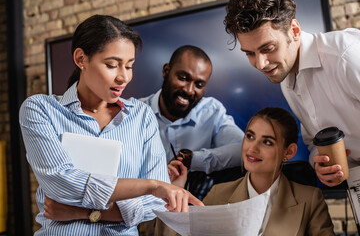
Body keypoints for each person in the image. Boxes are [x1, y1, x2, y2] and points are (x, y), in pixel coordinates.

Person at [19, 15, 202, 235]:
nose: (123, 77)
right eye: (112, 65)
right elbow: (61, 183)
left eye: (130, 66)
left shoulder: (141, 117)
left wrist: (84, 213)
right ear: (81, 59)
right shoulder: (40, 109)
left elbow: (155, 205)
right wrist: (150, 186)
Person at [224, 0, 360, 187]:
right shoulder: (286, 79)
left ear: (294, 31)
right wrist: (320, 164)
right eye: (250, 53)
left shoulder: (346, 55)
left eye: (268, 48)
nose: (260, 64)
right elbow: (314, 141)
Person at [163, 107, 335, 236]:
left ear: (289, 152)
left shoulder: (310, 199)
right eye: (250, 137)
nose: (252, 148)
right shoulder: (219, 194)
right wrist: (176, 190)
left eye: (267, 142)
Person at [139, 45, 245, 197]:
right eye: (183, 78)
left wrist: (191, 159)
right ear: (166, 71)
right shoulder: (137, 113)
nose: (189, 90)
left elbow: (243, 149)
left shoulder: (212, 112)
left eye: (199, 85)